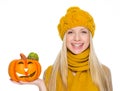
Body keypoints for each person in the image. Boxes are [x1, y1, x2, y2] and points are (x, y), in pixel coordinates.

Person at [13, 6, 113, 91]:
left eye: (83, 32)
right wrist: (40, 84)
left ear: (90, 37)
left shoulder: (104, 72)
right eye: (70, 32)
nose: (77, 38)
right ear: (64, 38)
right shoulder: (50, 73)